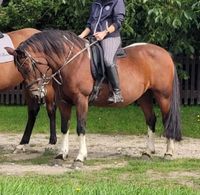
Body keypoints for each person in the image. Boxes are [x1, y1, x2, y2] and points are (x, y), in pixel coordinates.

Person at [79, 0, 125, 103]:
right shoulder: (96, 3)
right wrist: (80, 36)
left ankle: (117, 93)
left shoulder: (117, 1)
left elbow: (118, 22)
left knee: (107, 60)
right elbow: (90, 24)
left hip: (110, 37)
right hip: (94, 38)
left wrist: (104, 33)